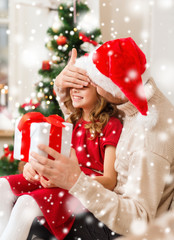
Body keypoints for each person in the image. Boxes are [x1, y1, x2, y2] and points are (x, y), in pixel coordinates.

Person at [29, 37, 174, 240]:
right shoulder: (128, 102)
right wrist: (62, 88)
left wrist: (76, 181)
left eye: (95, 81)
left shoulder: (149, 136)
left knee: (36, 224)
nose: (91, 83)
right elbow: (87, 124)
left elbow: (139, 220)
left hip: (123, 228)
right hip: (108, 205)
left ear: (111, 87)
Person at [0, 71, 122, 240]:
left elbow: (109, 181)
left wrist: (70, 181)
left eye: (83, 87)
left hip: (83, 188)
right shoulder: (69, 123)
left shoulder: (112, 125)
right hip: (59, 181)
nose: (74, 91)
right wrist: (32, 167)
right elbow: (51, 158)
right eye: (72, 86)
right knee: (2, 186)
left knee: (26, 203)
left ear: (101, 90)